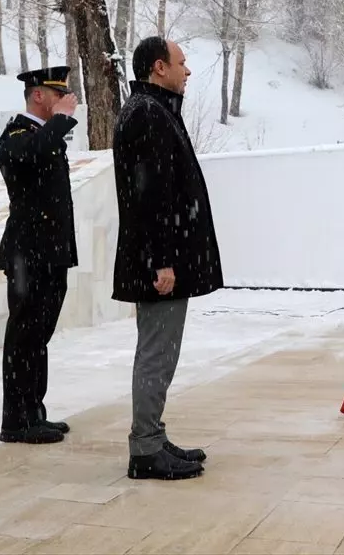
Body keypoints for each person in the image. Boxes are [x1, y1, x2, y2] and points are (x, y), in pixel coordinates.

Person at [112, 36, 224, 481]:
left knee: (160, 350)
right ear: (159, 67)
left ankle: (153, 435)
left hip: (161, 256)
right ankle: (144, 449)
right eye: (181, 62)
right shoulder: (148, 115)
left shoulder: (153, 110)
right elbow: (151, 194)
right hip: (158, 261)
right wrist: (162, 260)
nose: (187, 70)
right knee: (157, 352)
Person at [0, 66, 80, 445]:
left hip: (51, 251)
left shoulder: (46, 135)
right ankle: (15, 421)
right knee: (24, 336)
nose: (64, 100)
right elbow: (30, 154)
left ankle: (34, 410)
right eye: (56, 94)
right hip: (28, 253)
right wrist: (61, 121)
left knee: (39, 336)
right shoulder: (18, 133)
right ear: (38, 96)